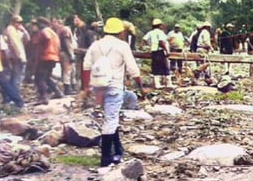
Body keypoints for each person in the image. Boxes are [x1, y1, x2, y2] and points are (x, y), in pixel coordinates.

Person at [82, 17, 149, 167]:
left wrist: (86, 88)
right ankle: (106, 158)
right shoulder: (122, 46)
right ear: (120, 31)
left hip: (98, 87)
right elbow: (133, 69)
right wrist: (141, 87)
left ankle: (118, 149)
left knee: (110, 117)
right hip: (114, 87)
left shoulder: (95, 45)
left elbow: (86, 66)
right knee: (110, 120)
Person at [34, 17, 62, 104]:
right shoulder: (53, 33)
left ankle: (43, 97)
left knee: (39, 78)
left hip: (45, 57)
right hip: (54, 57)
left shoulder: (44, 32)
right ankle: (58, 92)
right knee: (46, 77)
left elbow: (41, 43)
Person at [3, 14, 30, 91]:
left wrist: (24, 31)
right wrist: (21, 57)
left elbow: (27, 40)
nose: (19, 24)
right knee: (16, 77)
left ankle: (13, 94)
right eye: (18, 22)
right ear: (13, 22)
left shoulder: (17, 31)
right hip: (15, 57)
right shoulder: (10, 30)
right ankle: (14, 94)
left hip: (17, 56)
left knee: (15, 77)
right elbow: (15, 44)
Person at [147, 19, 175, 89]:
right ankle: (168, 83)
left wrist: (149, 45)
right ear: (159, 25)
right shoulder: (160, 32)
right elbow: (161, 42)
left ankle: (157, 84)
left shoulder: (151, 32)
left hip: (154, 51)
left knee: (156, 67)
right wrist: (166, 50)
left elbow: (144, 39)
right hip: (160, 51)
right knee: (165, 67)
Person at [53, 18, 76, 95]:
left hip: (62, 52)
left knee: (67, 70)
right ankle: (68, 88)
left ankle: (70, 87)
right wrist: (71, 54)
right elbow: (67, 43)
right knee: (68, 70)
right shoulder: (65, 30)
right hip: (66, 52)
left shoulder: (59, 31)